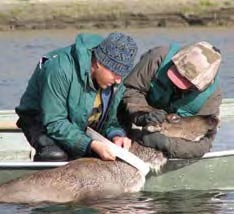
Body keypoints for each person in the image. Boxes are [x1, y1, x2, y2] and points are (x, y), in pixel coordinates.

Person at [15, 32, 138, 162]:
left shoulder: (115, 79)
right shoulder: (58, 69)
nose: (118, 80)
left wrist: (117, 135)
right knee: (55, 155)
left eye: (122, 74)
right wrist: (90, 144)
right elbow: (54, 122)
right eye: (115, 73)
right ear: (98, 63)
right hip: (41, 120)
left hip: (81, 123)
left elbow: (112, 121)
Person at [120, 41, 222, 158]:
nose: (178, 82)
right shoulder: (157, 57)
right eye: (177, 72)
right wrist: (144, 114)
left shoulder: (212, 97)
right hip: (133, 124)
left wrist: (167, 144)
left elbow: (204, 143)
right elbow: (130, 89)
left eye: (186, 81)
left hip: (173, 141)